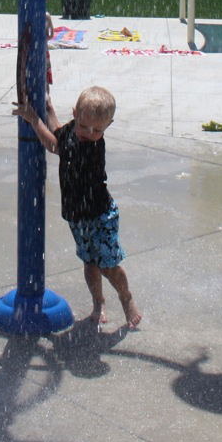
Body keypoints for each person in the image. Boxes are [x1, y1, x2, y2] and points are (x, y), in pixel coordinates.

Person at [14, 85, 142, 330]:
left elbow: (53, 145)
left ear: (108, 126)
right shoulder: (75, 130)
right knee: (90, 265)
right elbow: (59, 132)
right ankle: (98, 303)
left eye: (98, 130)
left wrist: (34, 119)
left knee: (107, 266)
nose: (89, 133)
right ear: (75, 114)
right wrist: (49, 107)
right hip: (79, 218)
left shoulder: (91, 147)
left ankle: (126, 298)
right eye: (83, 126)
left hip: (101, 216)